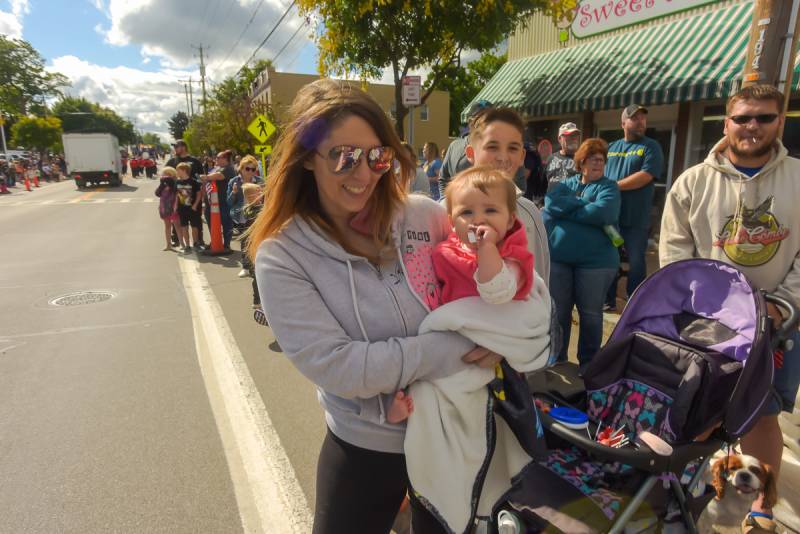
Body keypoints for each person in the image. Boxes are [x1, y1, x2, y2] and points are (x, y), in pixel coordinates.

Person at [249, 78, 500, 534]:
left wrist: (501, 336)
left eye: (376, 156)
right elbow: (340, 366)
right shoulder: (282, 255)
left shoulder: (426, 215)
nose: (362, 174)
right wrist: (455, 348)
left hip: (451, 435)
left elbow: (496, 280)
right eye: (343, 156)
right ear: (307, 158)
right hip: (365, 448)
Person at [659, 84, 800, 534]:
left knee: (765, 412)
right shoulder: (692, 181)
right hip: (710, 323)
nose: (752, 126)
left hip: (780, 323)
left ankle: (760, 506)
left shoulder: (798, 177)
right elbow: (675, 253)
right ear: (727, 124)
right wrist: (701, 308)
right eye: (743, 118)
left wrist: (781, 306)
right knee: (699, 409)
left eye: (763, 117)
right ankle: (688, 492)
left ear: (780, 121)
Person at [386, 165, 535, 422]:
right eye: (466, 212)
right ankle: (407, 409)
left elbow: (498, 291)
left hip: (485, 345)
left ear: (510, 219)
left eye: (490, 210)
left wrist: (487, 249)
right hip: (448, 338)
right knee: (428, 382)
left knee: (464, 396)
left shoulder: (511, 256)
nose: (478, 220)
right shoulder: (449, 248)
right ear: (451, 220)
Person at [544, 138, 621, 366]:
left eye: (601, 160)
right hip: (560, 260)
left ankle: (589, 363)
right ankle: (558, 358)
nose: (598, 163)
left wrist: (570, 207)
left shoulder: (609, 187)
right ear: (581, 162)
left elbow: (604, 213)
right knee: (559, 313)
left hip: (596, 263)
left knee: (590, 315)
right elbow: (550, 204)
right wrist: (583, 204)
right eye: (592, 159)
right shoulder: (566, 184)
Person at [464, 107, 551, 286]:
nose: (503, 157)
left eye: (512, 148)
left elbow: (541, 278)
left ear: (522, 156)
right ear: (471, 153)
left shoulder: (530, 213)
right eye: (492, 146)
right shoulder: (444, 212)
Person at [603, 104, 664, 311]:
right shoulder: (611, 148)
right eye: (634, 118)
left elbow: (645, 176)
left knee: (636, 260)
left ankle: (634, 302)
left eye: (642, 118)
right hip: (611, 219)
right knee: (610, 256)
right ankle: (608, 300)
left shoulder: (650, 147)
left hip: (635, 220)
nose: (640, 122)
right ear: (623, 123)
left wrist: (613, 186)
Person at [438, 99, 493, 198]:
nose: (486, 122)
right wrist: (446, 201)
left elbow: (517, 182)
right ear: (470, 122)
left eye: (491, 118)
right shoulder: (455, 146)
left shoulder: (504, 148)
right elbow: (443, 178)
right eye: (480, 117)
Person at [227, 155, 264, 277]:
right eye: (248, 169)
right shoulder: (234, 182)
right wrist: (234, 192)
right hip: (242, 216)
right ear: (241, 168)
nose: (251, 172)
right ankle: (246, 267)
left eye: (253, 169)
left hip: (257, 215)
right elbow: (229, 202)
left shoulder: (259, 181)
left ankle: (257, 266)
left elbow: (267, 199)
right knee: (245, 242)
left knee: (258, 241)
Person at [167, 140, 206, 248]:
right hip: (179, 197)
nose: (175, 148)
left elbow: (201, 177)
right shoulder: (172, 161)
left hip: (194, 198)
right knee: (179, 221)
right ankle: (177, 239)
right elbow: (165, 175)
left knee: (196, 222)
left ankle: (199, 241)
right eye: (174, 146)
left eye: (176, 146)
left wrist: (202, 198)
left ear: (183, 147)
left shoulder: (195, 161)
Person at [201, 150, 236, 250]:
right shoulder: (217, 168)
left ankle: (227, 244)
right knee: (212, 222)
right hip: (212, 201)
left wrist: (206, 177)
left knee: (226, 223)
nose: (216, 159)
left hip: (223, 201)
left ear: (226, 159)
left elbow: (218, 176)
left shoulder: (228, 169)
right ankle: (215, 241)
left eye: (218, 157)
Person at [545, 122, 581, 192]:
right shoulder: (550, 159)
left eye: (576, 135)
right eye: (569, 135)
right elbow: (542, 185)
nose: (574, 138)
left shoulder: (583, 160)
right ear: (559, 139)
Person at [175, 162, 202, 251]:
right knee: (184, 227)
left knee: (194, 226)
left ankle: (196, 243)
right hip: (182, 208)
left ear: (184, 170)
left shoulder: (193, 181)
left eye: (178, 170)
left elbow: (199, 194)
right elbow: (176, 195)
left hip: (192, 208)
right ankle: (187, 245)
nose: (176, 172)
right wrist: (175, 206)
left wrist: (195, 205)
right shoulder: (177, 181)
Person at [155, 167, 180, 251]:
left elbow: (177, 192)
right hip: (164, 207)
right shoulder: (163, 183)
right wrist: (162, 185)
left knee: (177, 225)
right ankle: (168, 244)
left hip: (174, 206)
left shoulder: (175, 182)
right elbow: (157, 193)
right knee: (167, 226)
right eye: (163, 174)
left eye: (166, 174)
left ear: (171, 174)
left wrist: (171, 184)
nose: (164, 176)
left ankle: (183, 244)